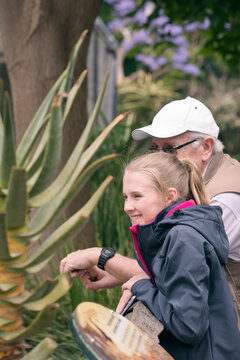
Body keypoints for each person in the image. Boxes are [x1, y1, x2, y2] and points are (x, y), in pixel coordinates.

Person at [60, 152, 240, 360]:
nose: (127, 206)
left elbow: (189, 326)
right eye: (125, 197)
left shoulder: (183, 239)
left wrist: (141, 286)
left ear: (169, 196)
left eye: (137, 196)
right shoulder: (174, 233)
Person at [131, 96, 240, 327]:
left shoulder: (226, 200)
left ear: (206, 147)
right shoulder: (192, 182)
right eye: (154, 149)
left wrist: (106, 261)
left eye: (169, 149)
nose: (158, 159)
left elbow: (178, 270)